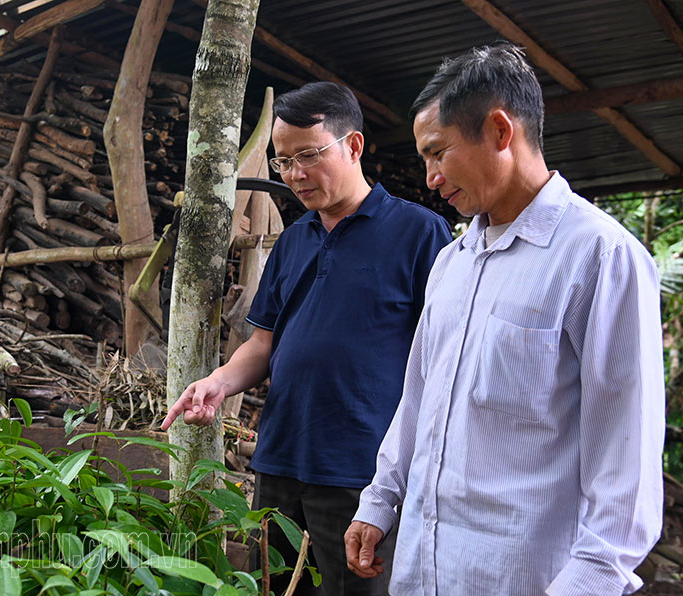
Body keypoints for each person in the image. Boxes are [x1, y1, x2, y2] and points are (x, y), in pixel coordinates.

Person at [344, 43, 665, 596]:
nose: (430, 179)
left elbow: (625, 469)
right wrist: (380, 499)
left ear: (498, 130)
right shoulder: (453, 261)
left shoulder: (598, 257)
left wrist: (585, 584)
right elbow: (418, 396)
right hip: (422, 571)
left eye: (437, 153)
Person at [161, 81, 452, 595]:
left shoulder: (420, 232)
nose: (295, 174)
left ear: (353, 146)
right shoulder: (294, 240)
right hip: (279, 463)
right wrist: (219, 383)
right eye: (283, 161)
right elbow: (263, 343)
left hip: (362, 474)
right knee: (271, 587)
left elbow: (445, 357)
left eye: (309, 156)